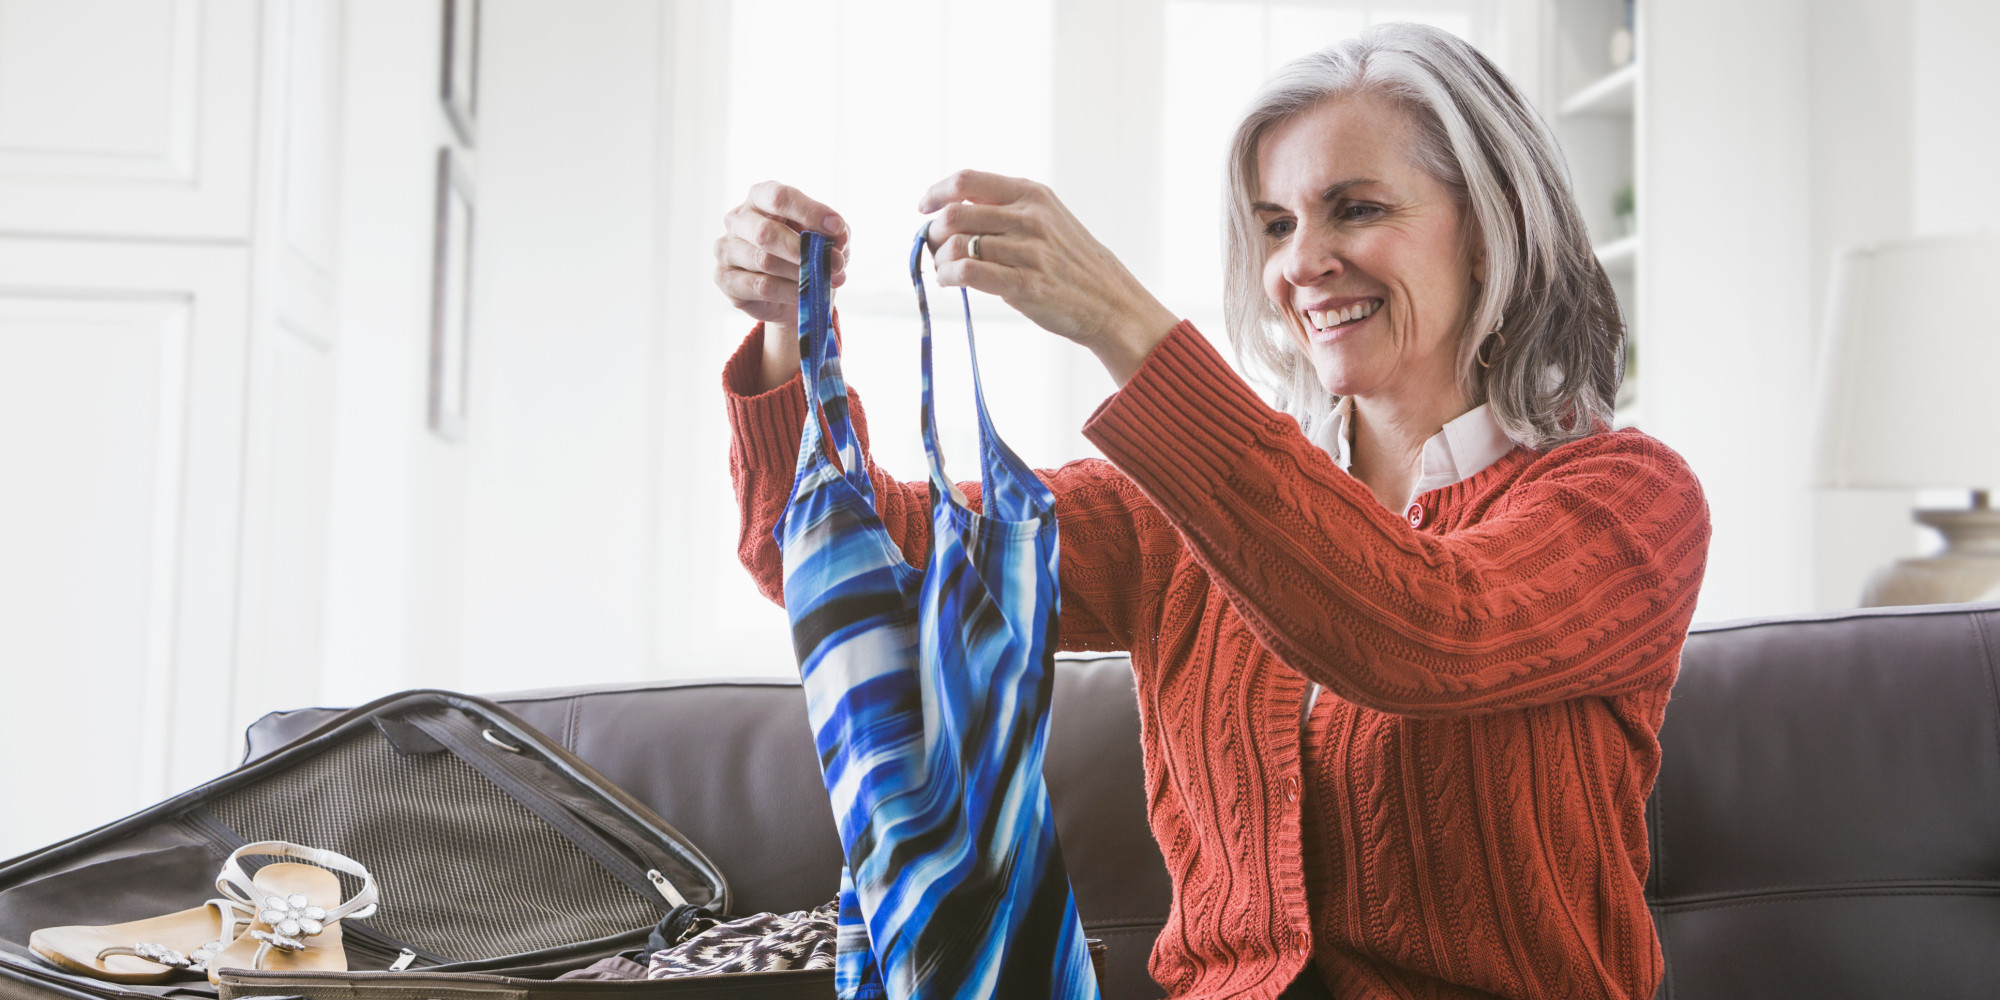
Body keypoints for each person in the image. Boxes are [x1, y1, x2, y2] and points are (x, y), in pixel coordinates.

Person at [713, 22, 1709, 1000]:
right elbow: (843, 563)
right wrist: (781, 337)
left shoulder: (1626, 502)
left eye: (1352, 208)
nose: (1298, 263)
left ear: (1489, 232)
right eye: (1274, 225)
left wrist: (1120, 321)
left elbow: (1417, 629)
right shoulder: (1171, 513)